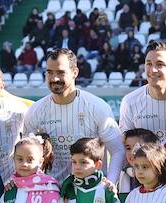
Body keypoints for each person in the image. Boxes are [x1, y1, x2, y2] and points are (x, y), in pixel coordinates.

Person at [22, 48, 124, 182]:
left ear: (75, 72)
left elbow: (117, 150)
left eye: (60, 72)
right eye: (49, 72)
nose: (54, 78)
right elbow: (25, 153)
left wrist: (110, 183)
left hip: (90, 192)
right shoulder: (35, 111)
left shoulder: (97, 107)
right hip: (50, 193)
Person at [119, 41, 166, 145]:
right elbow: (125, 146)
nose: (153, 70)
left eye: (160, 64)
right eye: (149, 64)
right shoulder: (130, 102)